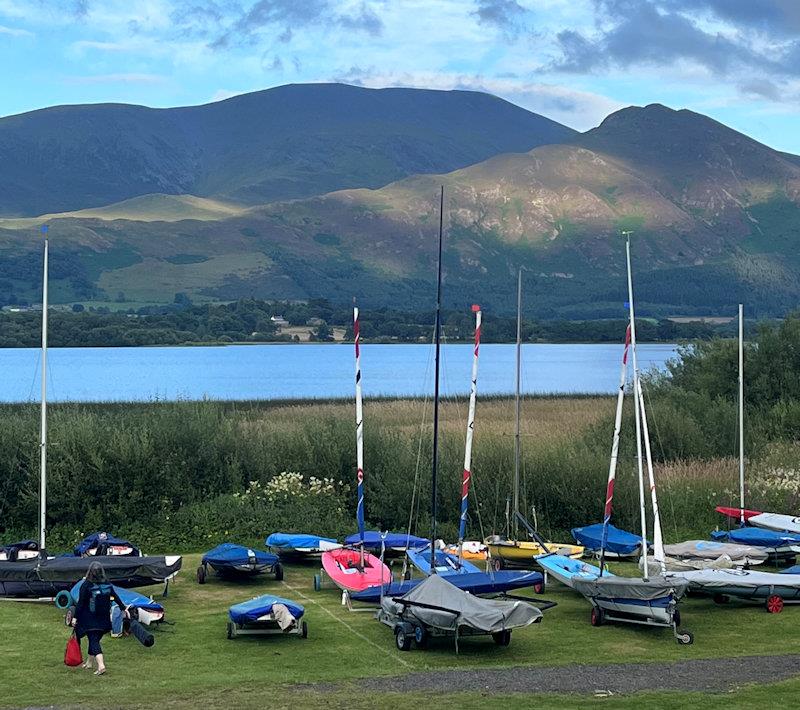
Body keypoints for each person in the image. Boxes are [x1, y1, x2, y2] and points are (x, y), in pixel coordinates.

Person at [71, 561, 128, 676]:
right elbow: (115, 596)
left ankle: (101, 665)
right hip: (104, 618)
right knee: (95, 638)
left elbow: (81, 603)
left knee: (93, 640)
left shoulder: (86, 585)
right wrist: (123, 609)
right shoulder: (106, 583)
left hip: (90, 618)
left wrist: (75, 617)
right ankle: (89, 662)